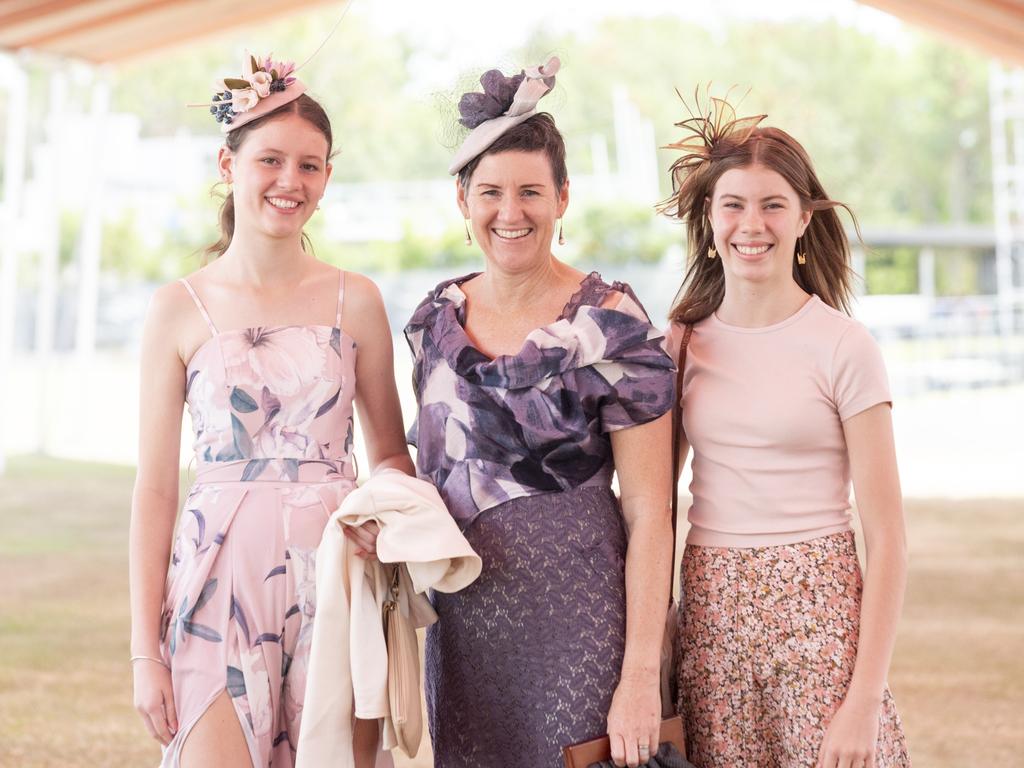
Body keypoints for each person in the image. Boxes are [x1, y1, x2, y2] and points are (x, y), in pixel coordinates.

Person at [128, 54, 412, 768]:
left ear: (326, 177)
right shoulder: (177, 308)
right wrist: (143, 654)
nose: (291, 182)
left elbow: (390, 454)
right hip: (216, 585)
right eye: (272, 160)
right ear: (229, 165)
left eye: (310, 166)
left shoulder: (359, 301)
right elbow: (156, 488)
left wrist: (388, 512)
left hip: (339, 579)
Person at [404, 57, 677, 768]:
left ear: (562, 198)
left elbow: (650, 511)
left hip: (582, 628)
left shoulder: (613, 322)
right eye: (490, 192)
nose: (510, 212)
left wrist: (641, 675)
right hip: (464, 630)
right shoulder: (432, 323)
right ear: (463, 201)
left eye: (531, 191)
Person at [660, 93, 912, 767]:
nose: (752, 224)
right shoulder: (680, 344)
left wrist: (864, 699)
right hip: (713, 618)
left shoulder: (843, 347)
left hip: (820, 614)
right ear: (709, 219)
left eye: (772, 204)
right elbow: (652, 506)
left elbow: (887, 537)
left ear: (803, 217)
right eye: (733, 205)